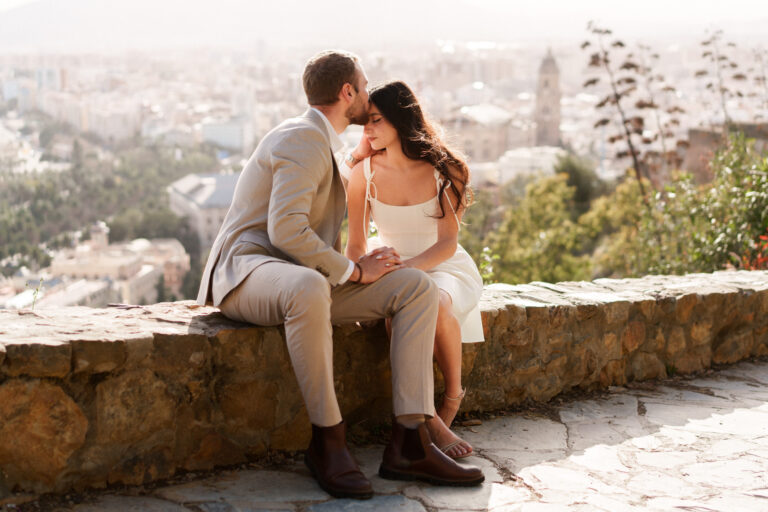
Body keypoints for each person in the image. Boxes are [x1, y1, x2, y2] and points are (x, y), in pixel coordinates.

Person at [197, 50, 483, 500]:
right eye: (364, 87)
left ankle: (410, 440)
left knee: (415, 288)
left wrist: (361, 157)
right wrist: (354, 269)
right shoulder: (300, 136)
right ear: (347, 92)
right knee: (310, 284)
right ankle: (328, 442)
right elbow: (285, 228)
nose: (368, 98)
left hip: (300, 281)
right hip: (248, 272)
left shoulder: (328, 144)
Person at [344, 80, 485, 460]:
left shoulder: (446, 168)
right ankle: (429, 420)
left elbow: (447, 243)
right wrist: (364, 275)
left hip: (443, 266)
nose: (368, 130)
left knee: (432, 301)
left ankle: (452, 397)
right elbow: (356, 244)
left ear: (399, 120)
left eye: (374, 121)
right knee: (403, 307)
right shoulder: (365, 173)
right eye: (364, 125)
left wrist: (407, 270)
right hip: (390, 267)